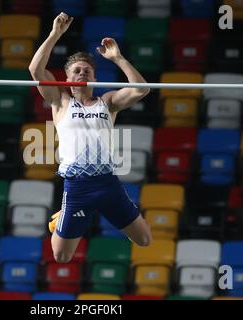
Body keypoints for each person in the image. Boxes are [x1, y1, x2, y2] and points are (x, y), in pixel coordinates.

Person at [29, 12, 152, 263]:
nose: (83, 73)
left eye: (87, 70)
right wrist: (55, 35)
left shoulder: (108, 102)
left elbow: (142, 89)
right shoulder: (60, 101)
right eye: (77, 70)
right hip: (77, 187)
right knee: (61, 257)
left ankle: (69, 217)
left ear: (95, 78)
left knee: (144, 240)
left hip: (107, 184)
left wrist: (117, 58)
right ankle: (58, 221)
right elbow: (35, 69)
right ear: (67, 79)